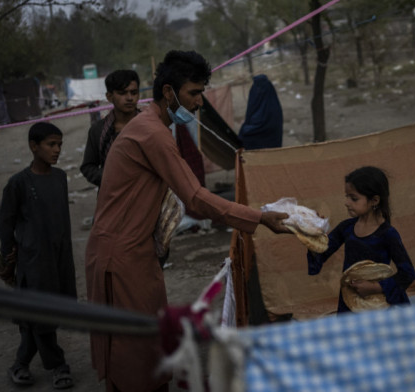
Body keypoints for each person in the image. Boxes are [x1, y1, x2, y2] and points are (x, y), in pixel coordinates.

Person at [84, 50, 290, 392]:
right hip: (120, 258)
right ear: (168, 92)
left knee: (144, 349)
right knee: (136, 359)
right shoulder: (152, 132)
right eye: (194, 93)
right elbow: (194, 197)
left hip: (135, 253)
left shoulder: (153, 126)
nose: (199, 103)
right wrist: (259, 218)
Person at [0, 122, 76, 389]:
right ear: (34, 146)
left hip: (59, 257)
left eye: (60, 145)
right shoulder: (19, 183)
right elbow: (5, 222)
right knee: (41, 316)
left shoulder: (60, 178)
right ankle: (58, 365)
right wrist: (8, 258)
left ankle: (19, 364)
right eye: (51, 144)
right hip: (33, 261)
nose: (57, 150)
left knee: (39, 316)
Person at [307, 166, 415, 313]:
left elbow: (407, 274)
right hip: (350, 300)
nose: (346, 202)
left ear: (374, 200)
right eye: (347, 196)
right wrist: (314, 235)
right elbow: (321, 252)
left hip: (378, 304)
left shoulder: (387, 234)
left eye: (354, 198)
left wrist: (375, 287)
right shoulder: (346, 228)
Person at [80, 69, 141, 187]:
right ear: (109, 96)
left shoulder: (151, 125)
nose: (129, 98)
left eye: (134, 92)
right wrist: (111, 178)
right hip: (113, 197)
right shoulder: (98, 130)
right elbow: (88, 167)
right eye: (122, 93)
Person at [238, 74, 283, 150]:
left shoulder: (271, 105)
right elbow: (251, 115)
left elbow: (266, 125)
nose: (259, 90)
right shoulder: (259, 96)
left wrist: (244, 128)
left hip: (268, 142)